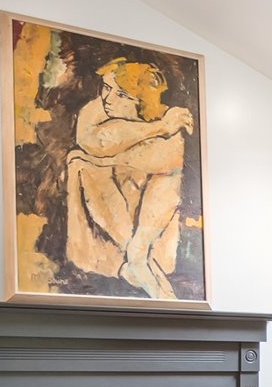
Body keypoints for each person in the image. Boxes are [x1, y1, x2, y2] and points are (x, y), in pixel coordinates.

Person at [63, 57, 194, 297]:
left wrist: (114, 156)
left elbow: (163, 163)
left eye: (122, 95)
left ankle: (137, 253)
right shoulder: (98, 110)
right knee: (82, 163)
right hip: (107, 222)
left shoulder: (163, 115)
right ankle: (134, 261)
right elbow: (91, 141)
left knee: (166, 176)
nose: (108, 98)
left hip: (147, 214)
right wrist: (159, 129)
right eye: (106, 87)